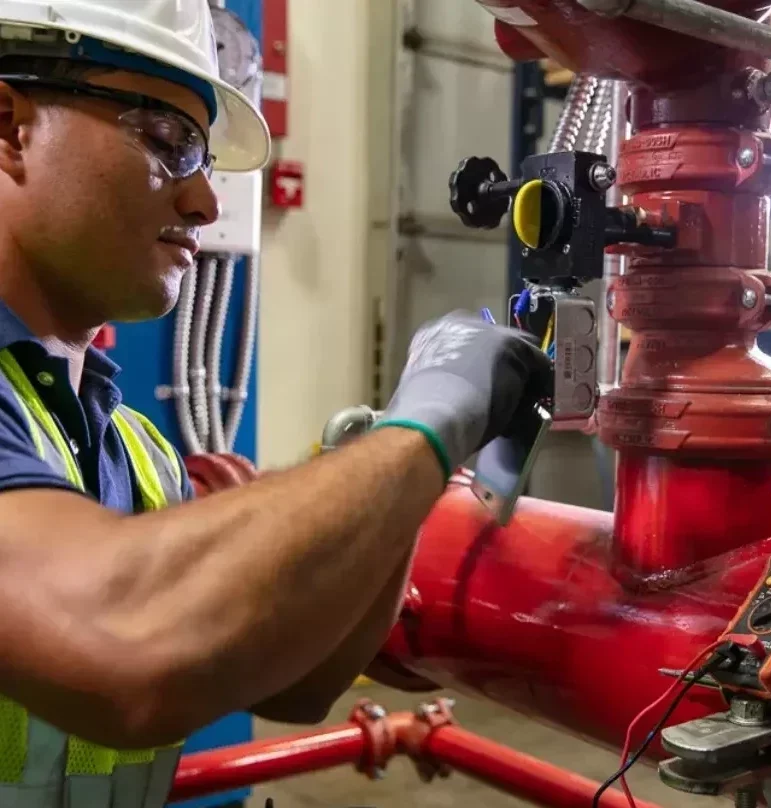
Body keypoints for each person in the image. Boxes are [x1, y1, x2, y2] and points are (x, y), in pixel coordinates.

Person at [0, 0, 550, 805]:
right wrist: (419, 432)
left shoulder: (134, 449)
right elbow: (124, 646)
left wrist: (404, 474)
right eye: (168, 144)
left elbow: (296, 683)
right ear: (11, 127)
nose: (206, 206)